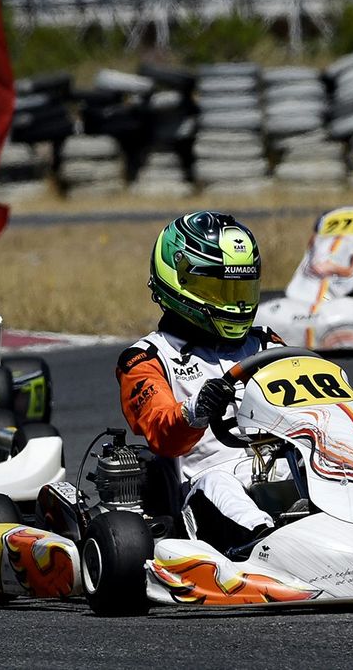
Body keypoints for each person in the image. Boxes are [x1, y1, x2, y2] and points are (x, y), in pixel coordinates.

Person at [116, 211, 289, 556]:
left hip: (280, 467)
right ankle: (270, 546)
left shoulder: (265, 344)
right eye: (219, 288)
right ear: (178, 281)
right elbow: (161, 433)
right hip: (204, 483)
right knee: (218, 484)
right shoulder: (147, 358)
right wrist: (197, 410)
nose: (235, 302)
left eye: (241, 288)